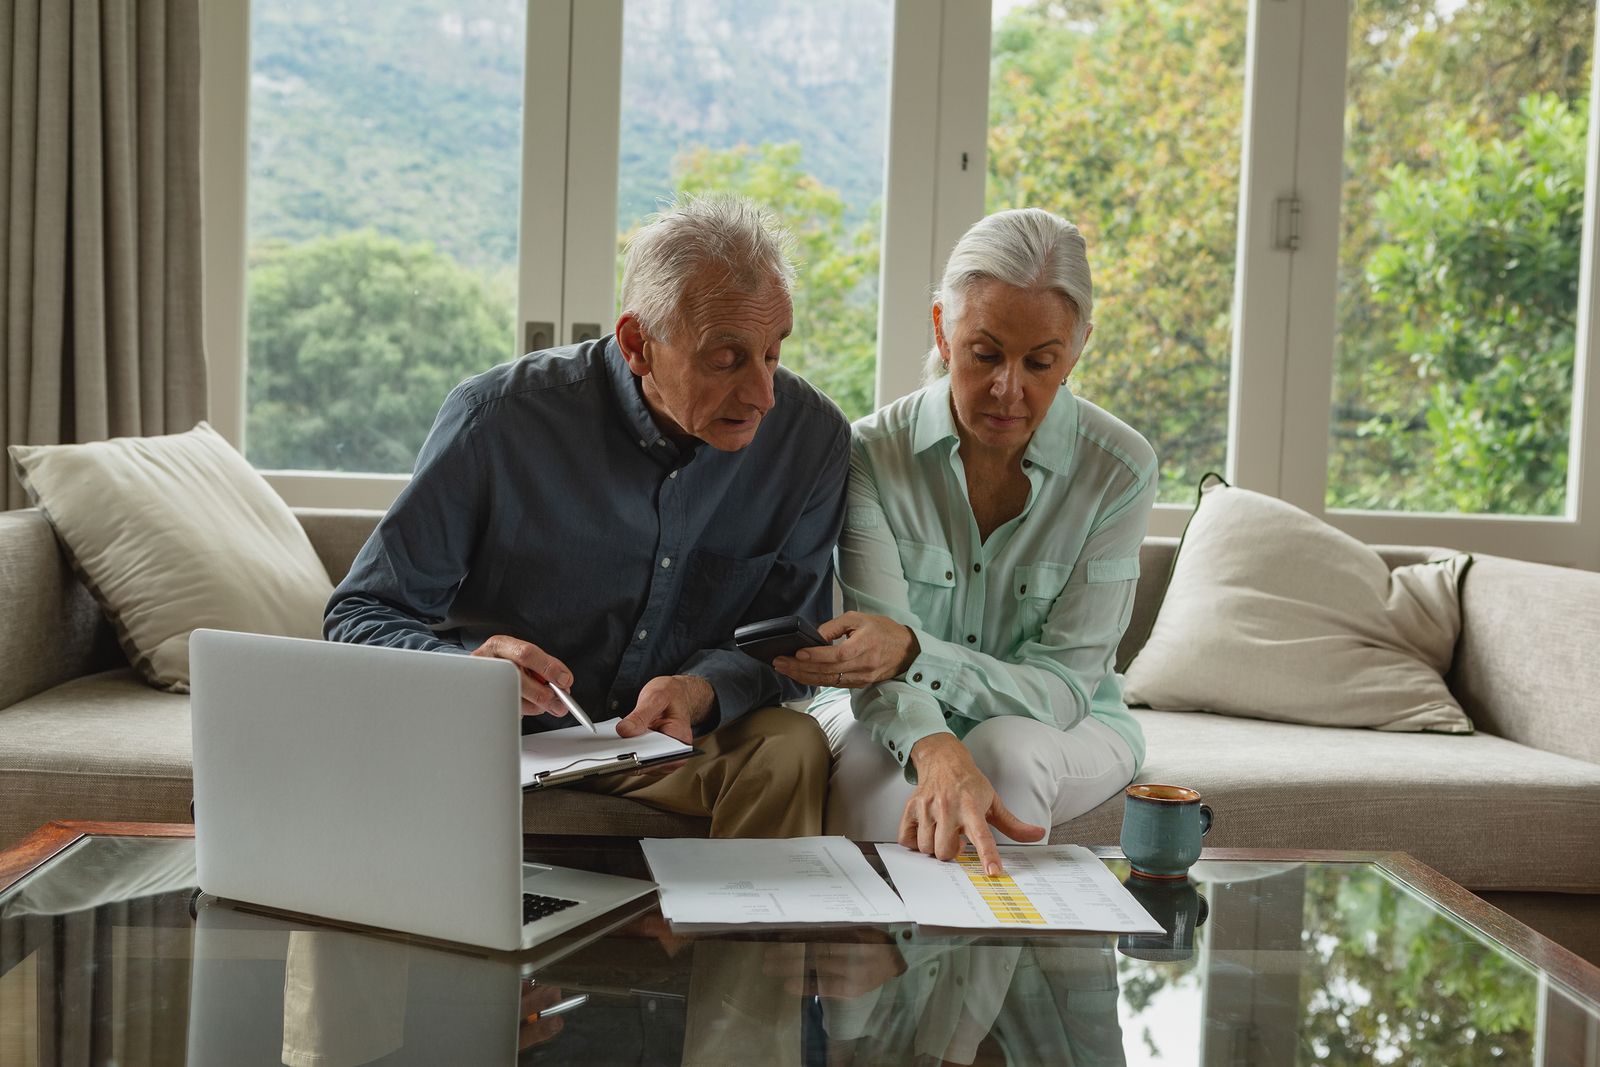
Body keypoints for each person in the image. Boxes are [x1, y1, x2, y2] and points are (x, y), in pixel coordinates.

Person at [326, 195, 848, 838]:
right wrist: (468, 674)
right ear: (637, 344)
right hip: (502, 741)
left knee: (791, 745)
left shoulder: (812, 438)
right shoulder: (497, 420)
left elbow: (788, 647)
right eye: (727, 358)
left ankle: (737, 937)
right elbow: (358, 615)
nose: (763, 394)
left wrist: (701, 690)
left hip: (676, 744)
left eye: (774, 353)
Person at [779, 208, 1155, 873]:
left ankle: (972, 958)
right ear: (941, 331)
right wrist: (934, 744)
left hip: (1069, 723)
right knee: (874, 769)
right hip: (888, 707)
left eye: (1041, 362)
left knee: (1006, 751)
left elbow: (1064, 687)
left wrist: (919, 653)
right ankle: (871, 966)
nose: (1008, 389)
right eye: (985, 354)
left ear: (1079, 348)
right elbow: (876, 664)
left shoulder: (1119, 469)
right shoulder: (871, 451)